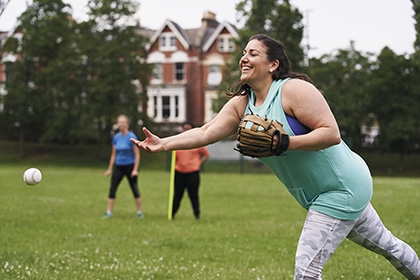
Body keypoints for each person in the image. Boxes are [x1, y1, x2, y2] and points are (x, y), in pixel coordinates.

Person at [130, 34, 420, 279]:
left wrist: (284, 143)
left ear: (273, 64)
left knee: (306, 269)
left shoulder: (293, 90)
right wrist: (163, 143)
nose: (243, 58)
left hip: (342, 187)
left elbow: (331, 133)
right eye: (243, 53)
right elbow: (206, 132)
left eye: (252, 53)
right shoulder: (241, 105)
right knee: (388, 246)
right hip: (318, 194)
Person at [103, 114, 143, 219]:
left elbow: (137, 154)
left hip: (130, 166)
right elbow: (113, 154)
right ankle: (109, 212)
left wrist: (135, 169)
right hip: (119, 166)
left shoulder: (132, 137)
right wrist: (109, 169)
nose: (122, 124)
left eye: (124, 122)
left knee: (134, 189)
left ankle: (139, 212)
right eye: (120, 122)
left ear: (127, 124)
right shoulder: (116, 137)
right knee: (112, 189)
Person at [172, 121, 210, 220]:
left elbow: (206, 154)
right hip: (179, 172)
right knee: (177, 194)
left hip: (193, 172)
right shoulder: (178, 141)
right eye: (185, 128)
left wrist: (199, 163)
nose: (186, 130)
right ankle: (172, 213)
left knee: (193, 195)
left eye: (188, 128)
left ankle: (196, 214)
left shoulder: (196, 142)